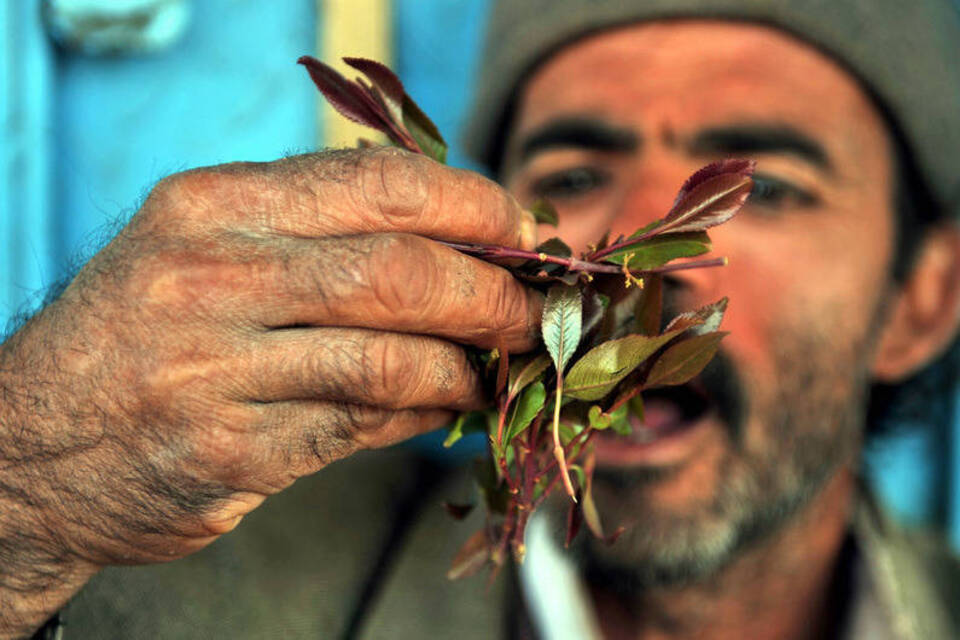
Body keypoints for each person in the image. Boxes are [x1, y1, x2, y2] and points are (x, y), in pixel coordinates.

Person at [2, 0, 960, 638]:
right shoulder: (203, 586)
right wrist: (33, 486)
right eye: (573, 177)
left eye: (761, 188)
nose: (624, 259)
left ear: (923, 299)